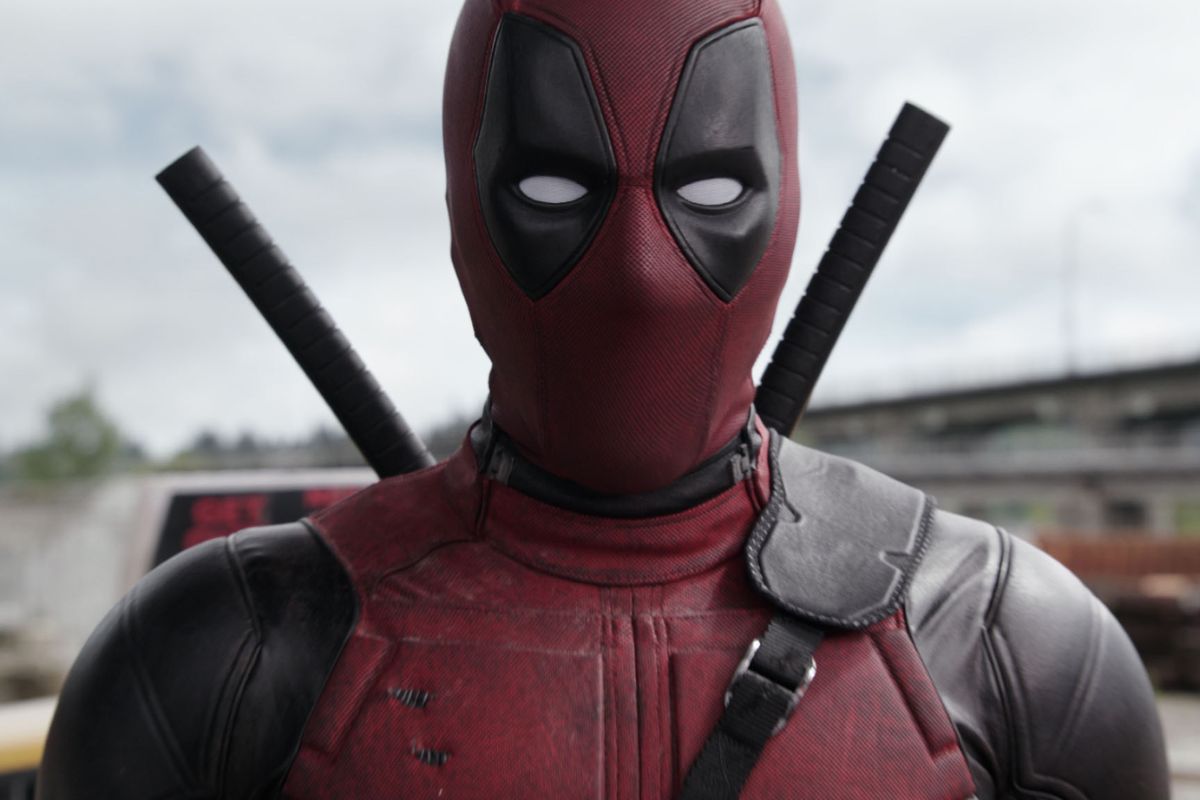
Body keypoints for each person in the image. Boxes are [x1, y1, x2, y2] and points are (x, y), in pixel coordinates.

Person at [38, 0, 1170, 797]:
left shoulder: (1009, 644)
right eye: (553, 184)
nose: (639, 273)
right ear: (466, 198)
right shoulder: (219, 659)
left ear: (782, 200)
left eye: (708, 186)